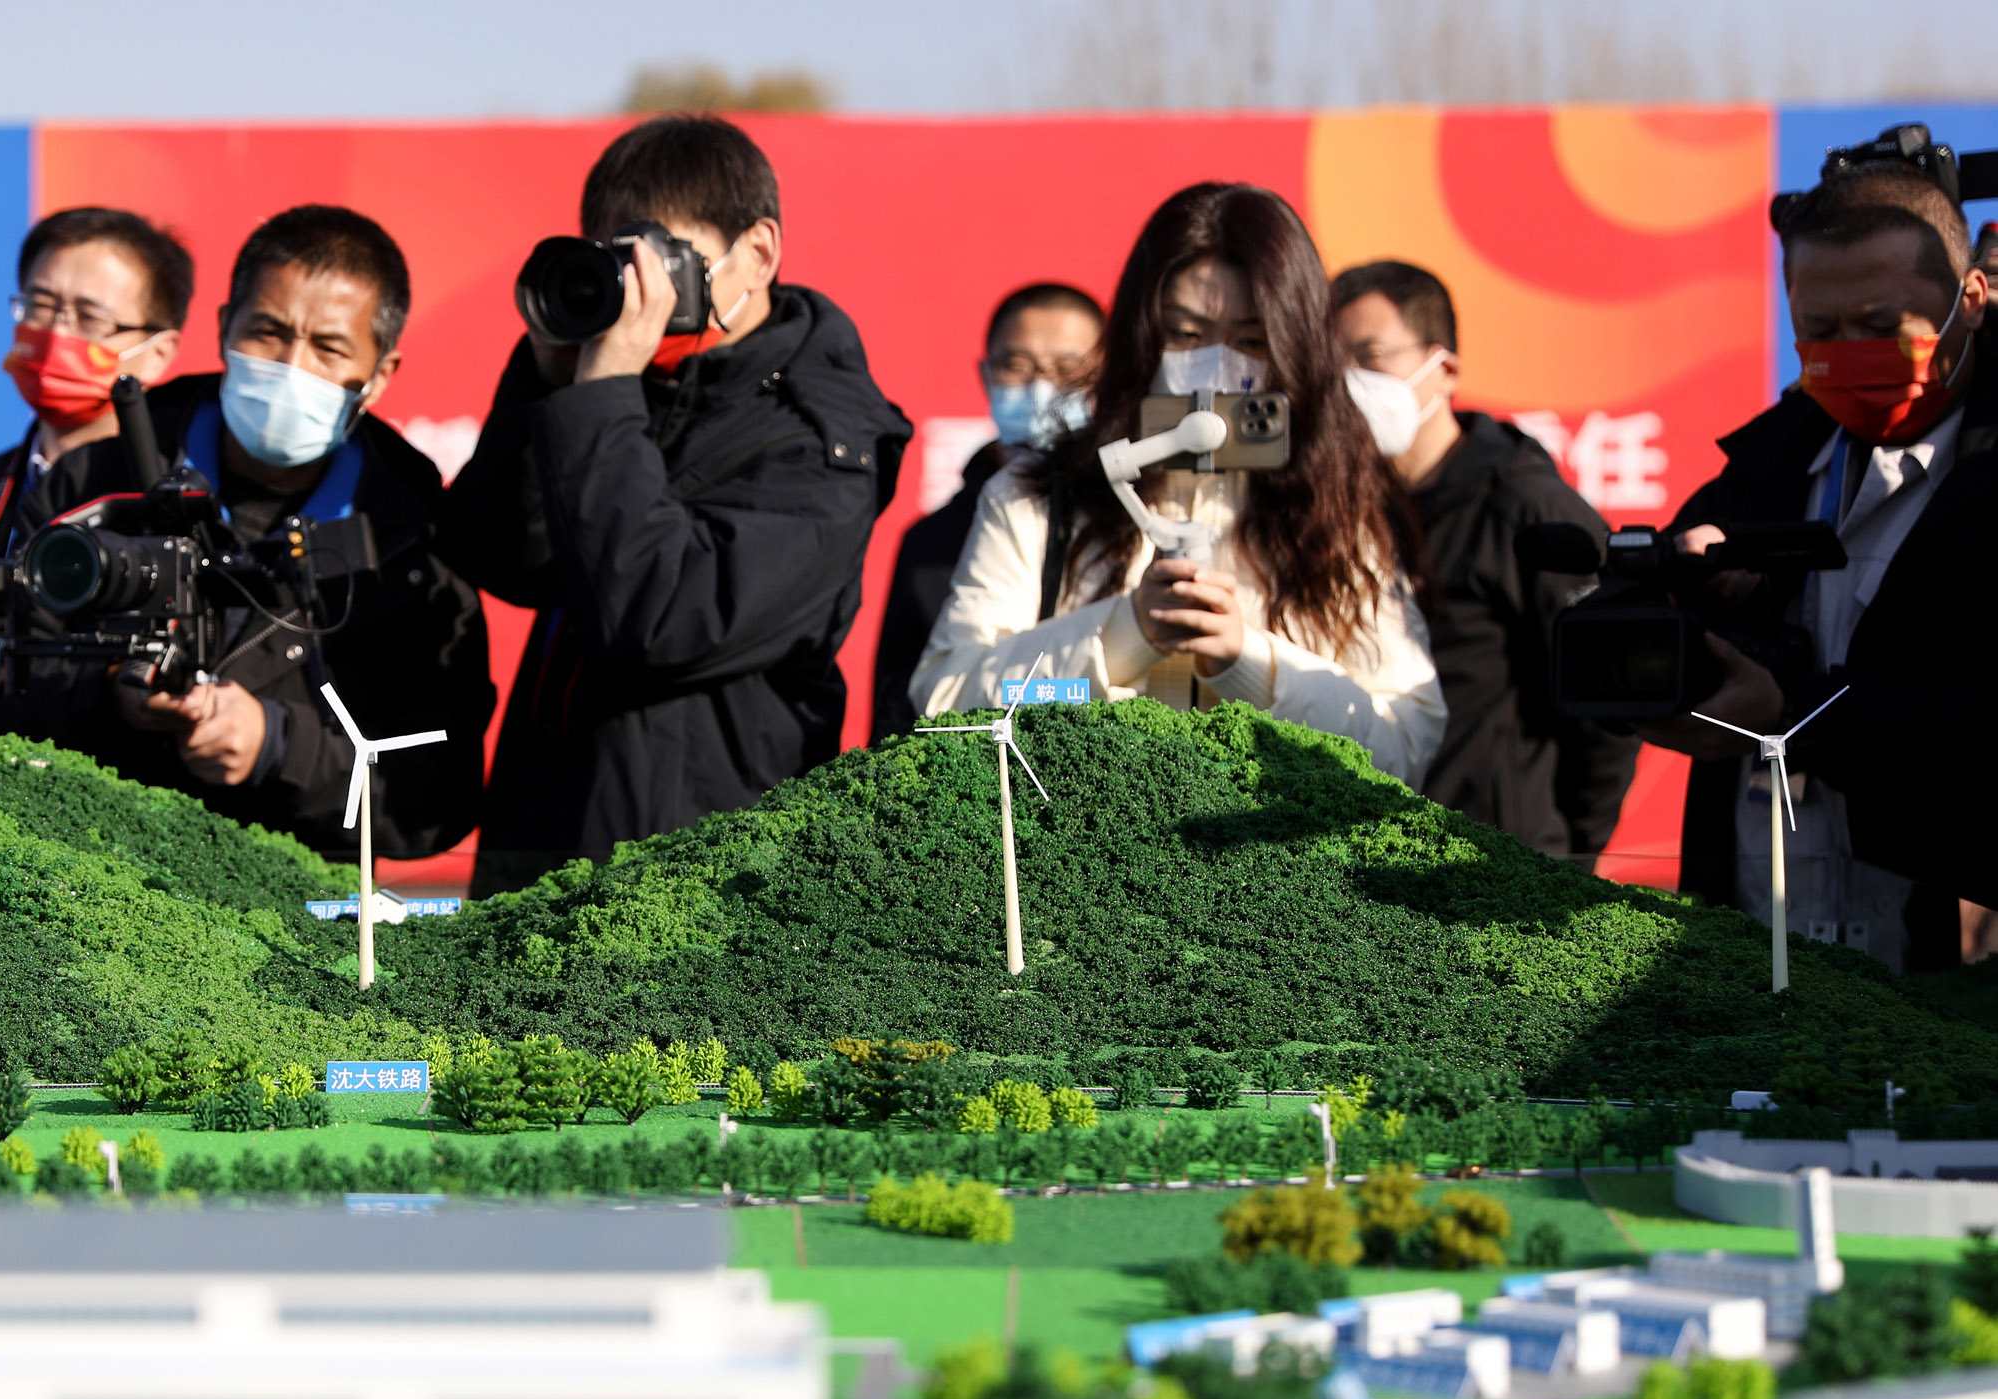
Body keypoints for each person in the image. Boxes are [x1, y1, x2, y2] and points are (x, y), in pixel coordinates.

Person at [0, 205, 492, 862]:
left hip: (293, 931)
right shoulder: (92, 482)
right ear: (224, 327)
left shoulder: (419, 546)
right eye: (268, 331)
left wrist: (275, 746)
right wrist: (107, 696)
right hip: (86, 892)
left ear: (381, 373)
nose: (290, 365)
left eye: (328, 346)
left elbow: (428, 806)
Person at [442, 114, 913, 895]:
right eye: (617, 263)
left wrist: (597, 396)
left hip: (705, 896)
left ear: (757, 253)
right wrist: (545, 378)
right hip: (538, 859)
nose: (640, 296)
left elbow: (656, 619)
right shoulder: (627, 388)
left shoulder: (823, 442)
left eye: (662, 262)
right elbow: (496, 554)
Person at [911, 184, 1443, 786]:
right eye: (1186, 335)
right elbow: (948, 700)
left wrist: (1252, 666)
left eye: (1249, 339)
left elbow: (1402, 747)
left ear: (1295, 345)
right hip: (1078, 870)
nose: (1215, 365)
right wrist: (1123, 635)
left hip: (1279, 876)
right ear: (1141, 334)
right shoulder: (1038, 495)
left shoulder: (1341, 506)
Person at [1641, 144, 1995, 965]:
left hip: (1954, 973)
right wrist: (1684, 587)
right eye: (1819, 331)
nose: (1849, 353)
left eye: (1881, 327)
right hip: (1755, 950)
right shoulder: (1770, 462)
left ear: (1968, 299)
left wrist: (1792, 711)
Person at [1331, 260, 1637, 863]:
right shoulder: (1340, 517)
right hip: (1360, 866)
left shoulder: (1530, 508)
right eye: (1331, 365)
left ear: (1443, 370)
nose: (1348, 385)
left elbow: (1606, 708)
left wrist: (1564, 859)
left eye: (1369, 357)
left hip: (1498, 872)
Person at [870, 282, 1104, 744]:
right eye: (1017, 366)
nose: (1042, 387)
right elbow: (903, 709)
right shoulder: (933, 541)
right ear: (986, 374)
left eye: (1069, 369)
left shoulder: (1134, 522)